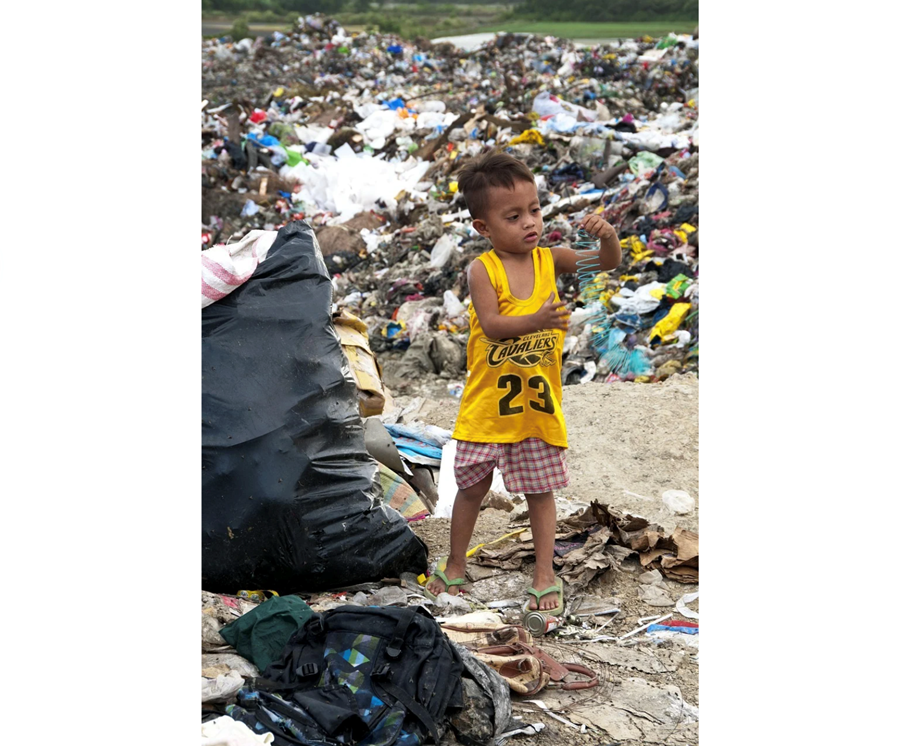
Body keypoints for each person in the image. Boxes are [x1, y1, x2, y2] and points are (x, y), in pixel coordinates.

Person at [424, 151, 622, 613]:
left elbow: (605, 264)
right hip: (487, 407)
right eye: (513, 216)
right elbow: (492, 325)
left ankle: (544, 572)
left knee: (540, 492)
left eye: (534, 210)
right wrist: (536, 318)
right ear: (484, 228)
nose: (529, 222)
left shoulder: (551, 260)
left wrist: (609, 238)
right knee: (472, 488)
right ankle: (455, 564)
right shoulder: (483, 270)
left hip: (536, 408)